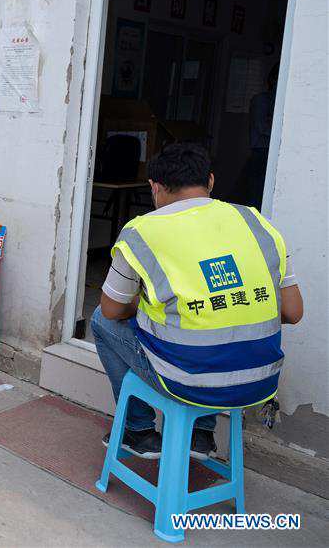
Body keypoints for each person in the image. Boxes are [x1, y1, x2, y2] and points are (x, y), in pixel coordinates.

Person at [92, 143, 303, 461]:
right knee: (213, 330)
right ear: (212, 181)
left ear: (155, 187)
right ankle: (200, 436)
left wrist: (154, 308)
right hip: (260, 381)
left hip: (185, 381)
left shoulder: (141, 232)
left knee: (99, 320)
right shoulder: (258, 223)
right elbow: (293, 311)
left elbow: (112, 310)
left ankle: (138, 432)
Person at [244, 63, 280, 209]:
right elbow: (261, 127)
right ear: (272, 80)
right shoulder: (261, 100)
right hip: (262, 152)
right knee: (257, 197)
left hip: (271, 153)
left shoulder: (280, 100)